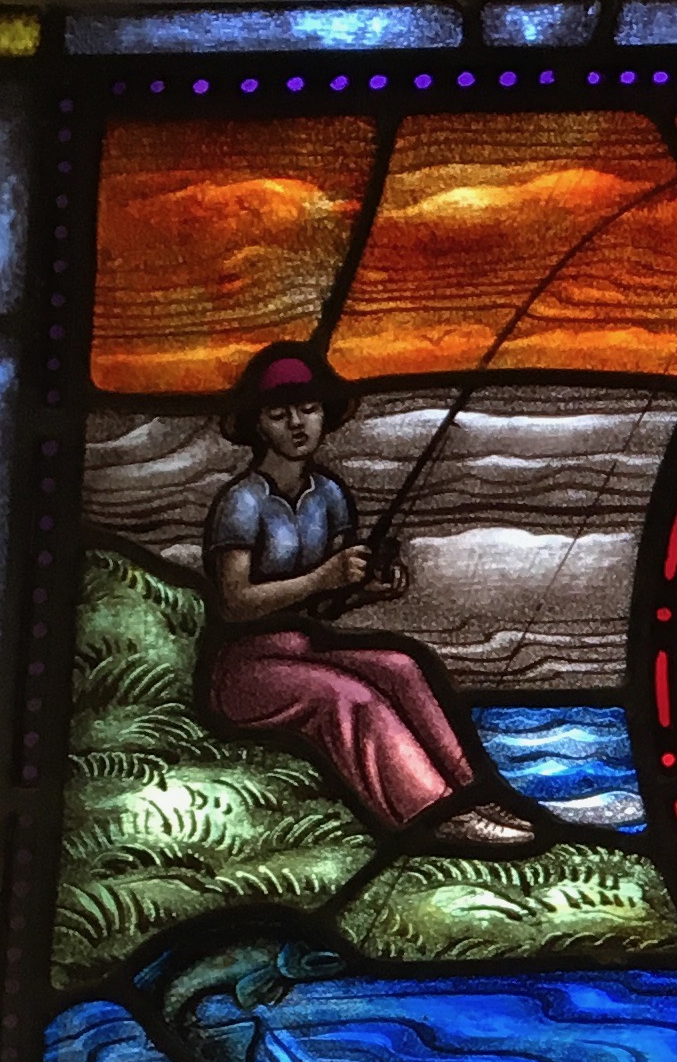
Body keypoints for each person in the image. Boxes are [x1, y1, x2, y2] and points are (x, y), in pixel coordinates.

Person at [199, 347, 541, 849]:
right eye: (279, 413)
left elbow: (326, 605)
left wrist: (363, 588)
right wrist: (323, 578)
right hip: (246, 670)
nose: (297, 423)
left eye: (309, 409)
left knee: (401, 666)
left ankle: (474, 793)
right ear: (257, 425)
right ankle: (432, 812)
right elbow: (234, 603)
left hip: (308, 647)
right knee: (349, 697)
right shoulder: (243, 502)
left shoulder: (330, 495)